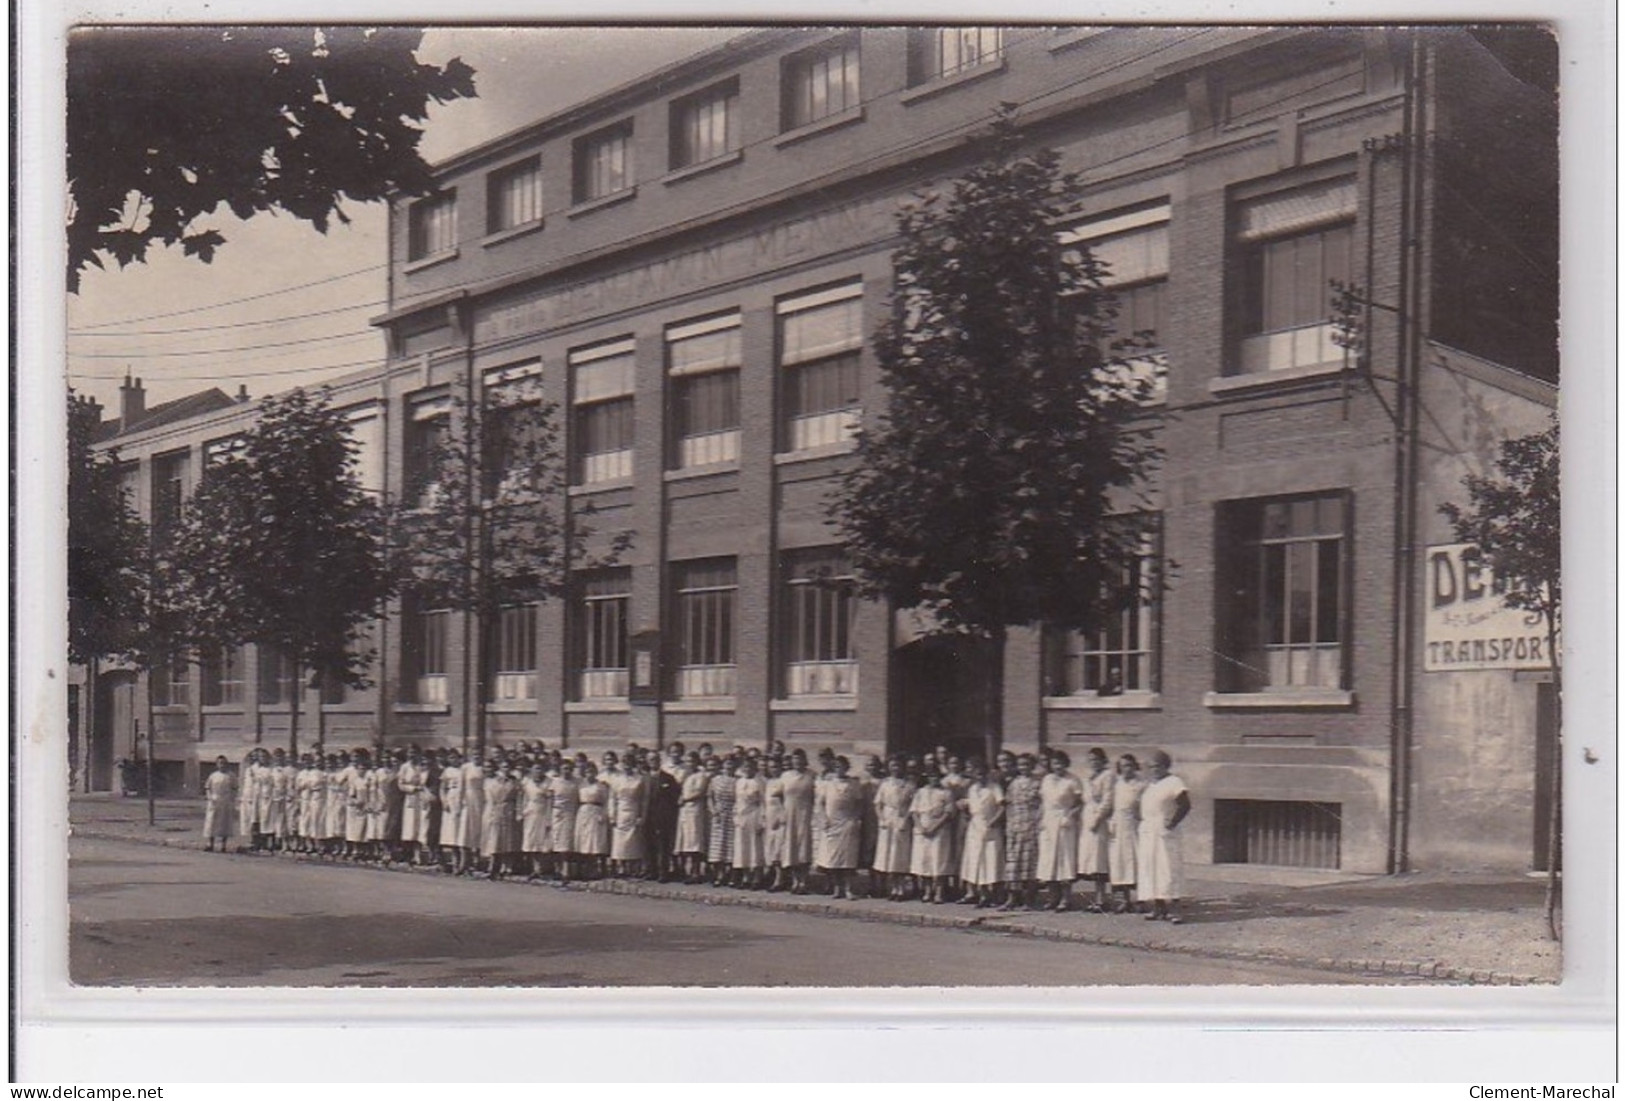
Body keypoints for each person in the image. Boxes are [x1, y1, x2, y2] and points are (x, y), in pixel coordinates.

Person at [1136, 750, 1192, 923]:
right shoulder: (1150, 785)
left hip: (1165, 832)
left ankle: (1175, 910)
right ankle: (1158, 908)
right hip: (1148, 833)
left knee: (1168, 870)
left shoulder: (1174, 782)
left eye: (1158, 766)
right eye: (1151, 766)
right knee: (1151, 869)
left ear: (1166, 766)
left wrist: (1172, 822)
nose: (1154, 769)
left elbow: (1185, 805)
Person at [1037, 749, 1084, 911]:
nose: (1057, 766)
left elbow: (1079, 803)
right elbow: (1043, 802)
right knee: (1048, 861)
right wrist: (1040, 820)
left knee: (1064, 860)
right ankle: (1052, 897)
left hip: (1064, 822)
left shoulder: (1073, 780)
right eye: (1054, 763)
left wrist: (1070, 816)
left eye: (1060, 763)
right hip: (1048, 822)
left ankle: (1066, 899)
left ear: (1066, 764)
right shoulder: (1047, 779)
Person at [959, 757, 1005, 907]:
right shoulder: (972, 789)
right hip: (975, 828)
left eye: (983, 774)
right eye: (977, 774)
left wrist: (993, 822)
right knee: (976, 861)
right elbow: (969, 808)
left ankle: (995, 895)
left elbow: (1002, 807)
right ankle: (981, 894)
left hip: (991, 827)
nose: (980, 777)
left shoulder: (994, 787)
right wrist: (964, 811)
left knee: (991, 861)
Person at [818, 756, 866, 899]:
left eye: (842, 766)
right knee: (833, 859)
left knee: (848, 859)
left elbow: (859, 803)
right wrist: (824, 819)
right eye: (836, 767)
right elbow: (820, 803)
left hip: (847, 823)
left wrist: (855, 819)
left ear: (847, 767)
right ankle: (837, 888)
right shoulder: (827, 784)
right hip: (832, 824)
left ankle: (849, 889)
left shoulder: (853, 784)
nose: (839, 769)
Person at [908, 765, 956, 903]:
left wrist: (935, 826)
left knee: (938, 861)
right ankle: (927, 891)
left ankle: (939, 893)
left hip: (939, 830)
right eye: (930, 776)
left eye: (936, 776)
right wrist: (920, 827)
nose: (933, 779)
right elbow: (914, 812)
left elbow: (948, 813)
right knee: (924, 861)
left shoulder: (946, 793)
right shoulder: (920, 792)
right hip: (922, 830)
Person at [1001, 754, 1042, 910]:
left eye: (1026, 764)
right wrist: (1009, 825)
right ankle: (1012, 898)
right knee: (1013, 865)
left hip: (1031, 826)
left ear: (1032, 766)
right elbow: (1009, 805)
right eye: (1020, 765)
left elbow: (1040, 806)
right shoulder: (1013, 783)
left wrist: (1036, 824)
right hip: (1015, 826)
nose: (1023, 768)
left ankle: (1029, 900)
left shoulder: (1037, 784)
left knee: (1029, 866)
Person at [872, 756, 916, 901]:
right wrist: (882, 819)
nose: (895, 769)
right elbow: (878, 803)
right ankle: (893, 888)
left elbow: (913, 806)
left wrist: (906, 819)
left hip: (902, 819)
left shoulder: (909, 785)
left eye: (897, 765)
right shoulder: (885, 784)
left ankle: (901, 889)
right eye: (892, 766)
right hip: (887, 820)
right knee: (888, 856)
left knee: (900, 855)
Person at [1077, 747, 1114, 912]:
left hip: (1100, 822)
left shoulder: (1108, 776)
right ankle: (1096, 898)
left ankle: (1101, 899)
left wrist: (1098, 819)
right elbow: (1086, 798)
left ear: (1103, 760)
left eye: (1097, 760)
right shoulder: (1088, 777)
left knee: (1099, 860)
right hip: (1087, 818)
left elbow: (1107, 799)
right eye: (1091, 760)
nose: (1093, 763)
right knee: (1091, 861)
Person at [1108, 754, 1146, 914]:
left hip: (1134, 827)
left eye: (1129, 765)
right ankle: (1124, 900)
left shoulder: (1141, 785)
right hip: (1118, 827)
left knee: (1136, 862)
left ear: (1135, 766)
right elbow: (1112, 806)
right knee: (1120, 863)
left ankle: (1140, 900)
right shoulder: (1117, 785)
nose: (1126, 769)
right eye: (1123, 766)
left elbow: (1144, 807)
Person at [780, 749, 816, 894]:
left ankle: (803, 882)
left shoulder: (811, 775)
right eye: (795, 759)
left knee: (804, 848)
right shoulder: (785, 776)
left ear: (804, 760)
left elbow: (816, 796)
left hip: (806, 813)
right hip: (789, 814)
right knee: (791, 848)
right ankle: (795, 881)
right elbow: (779, 795)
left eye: (800, 759)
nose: (797, 762)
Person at [674, 753, 710, 883]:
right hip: (684, 810)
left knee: (694, 842)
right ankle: (685, 870)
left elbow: (700, 791)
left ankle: (696, 872)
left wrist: (685, 798)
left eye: (692, 761)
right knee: (685, 841)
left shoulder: (701, 775)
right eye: (688, 762)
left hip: (695, 810)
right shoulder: (685, 775)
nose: (690, 764)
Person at [732, 755, 766, 889]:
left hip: (754, 814)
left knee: (755, 847)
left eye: (750, 767)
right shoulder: (739, 782)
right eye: (745, 766)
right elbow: (737, 800)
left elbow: (764, 802)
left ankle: (757, 878)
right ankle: (746, 877)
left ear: (755, 768)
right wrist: (736, 816)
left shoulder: (760, 782)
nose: (748, 769)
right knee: (742, 848)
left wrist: (762, 820)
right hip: (741, 816)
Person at [574, 761, 611, 879]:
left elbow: (606, 801)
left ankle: (597, 869)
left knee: (595, 841)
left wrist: (604, 815)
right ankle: (584, 870)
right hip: (583, 812)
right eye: (587, 772)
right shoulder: (580, 785)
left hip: (596, 812)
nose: (589, 774)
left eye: (592, 771)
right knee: (583, 841)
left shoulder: (601, 786)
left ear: (596, 772)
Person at [705, 756, 737, 887]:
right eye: (726, 764)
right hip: (718, 815)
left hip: (732, 814)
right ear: (722, 766)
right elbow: (709, 797)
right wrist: (713, 810)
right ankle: (719, 875)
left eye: (731, 764)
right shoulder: (715, 780)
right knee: (718, 846)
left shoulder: (737, 781)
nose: (728, 767)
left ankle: (731, 876)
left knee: (730, 846)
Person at [548, 759, 581, 883]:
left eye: (569, 768)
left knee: (566, 843)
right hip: (556, 813)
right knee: (555, 841)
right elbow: (550, 800)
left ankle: (566, 871)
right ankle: (557, 869)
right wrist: (548, 816)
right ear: (560, 770)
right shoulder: (555, 782)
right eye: (564, 768)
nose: (566, 771)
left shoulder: (576, 782)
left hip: (570, 813)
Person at [520, 762, 552, 880]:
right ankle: (535, 868)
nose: (537, 771)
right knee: (531, 840)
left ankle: (543, 868)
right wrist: (523, 811)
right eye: (535, 769)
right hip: (530, 812)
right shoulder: (527, 782)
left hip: (542, 812)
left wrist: (549, 817)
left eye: (540, 768)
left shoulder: (548, 782)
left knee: (543, 841)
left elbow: (549, 801)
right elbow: (524, 797)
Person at [761, 757, 787, 891]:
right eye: (771, 767)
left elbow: (786, 802)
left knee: (778, 849)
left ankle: (780, 879)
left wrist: (781, 816)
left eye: (775, 767)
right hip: (769, 816)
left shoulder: (784, 781)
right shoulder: (768, 782)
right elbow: (765, 802)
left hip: (779, 818)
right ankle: (770, 877)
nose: (773, 770)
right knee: (770, 849)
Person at [202, 755, 236, 852]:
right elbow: (207, 787)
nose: (222, 765)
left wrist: (232, 798)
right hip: (214, 800)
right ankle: (210, 844)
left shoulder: (231, 775)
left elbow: (235, 788)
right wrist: (209, 797)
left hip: (225, 801)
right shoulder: (213, 775)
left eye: (224, 763)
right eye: (220, 763)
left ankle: (223, 845)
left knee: (224, 823)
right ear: (217, 764)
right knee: (211, 822)